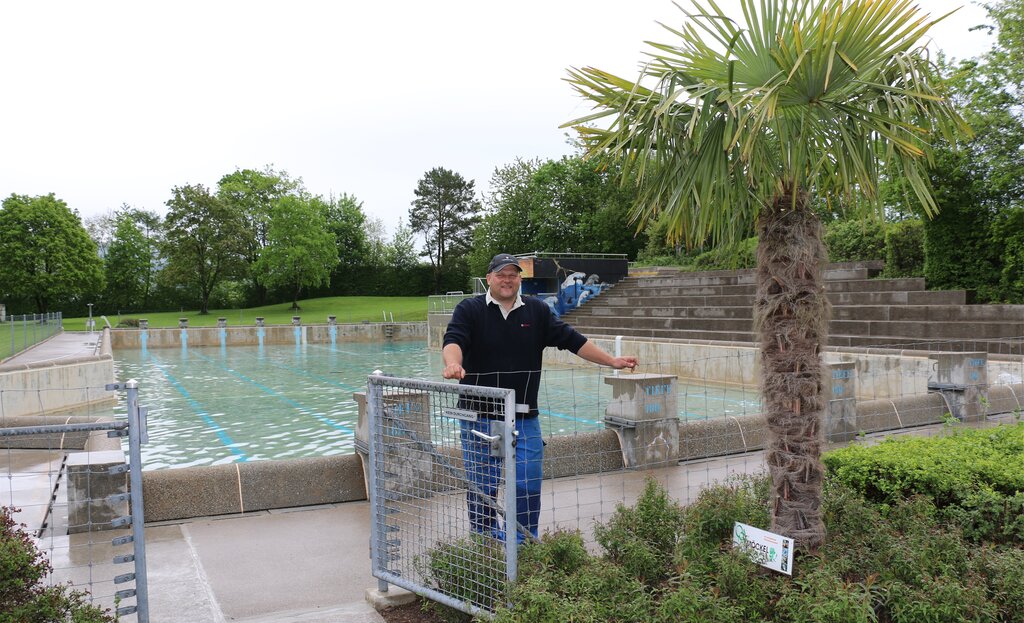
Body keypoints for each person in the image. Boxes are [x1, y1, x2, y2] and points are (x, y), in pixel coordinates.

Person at [442, 252, 638, 543]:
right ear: (489, 279)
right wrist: (452, 364)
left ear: (520, 278)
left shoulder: (537, 311)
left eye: (513, 274)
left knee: (528, 480)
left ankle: (522, 540)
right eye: (501, 274)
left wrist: (612, 361)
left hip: (524, 416)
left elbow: (574, 341)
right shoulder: (469, 309)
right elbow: (453, 340)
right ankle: (484, 539)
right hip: (479, 415)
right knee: (483, 484)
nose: (507, 280)